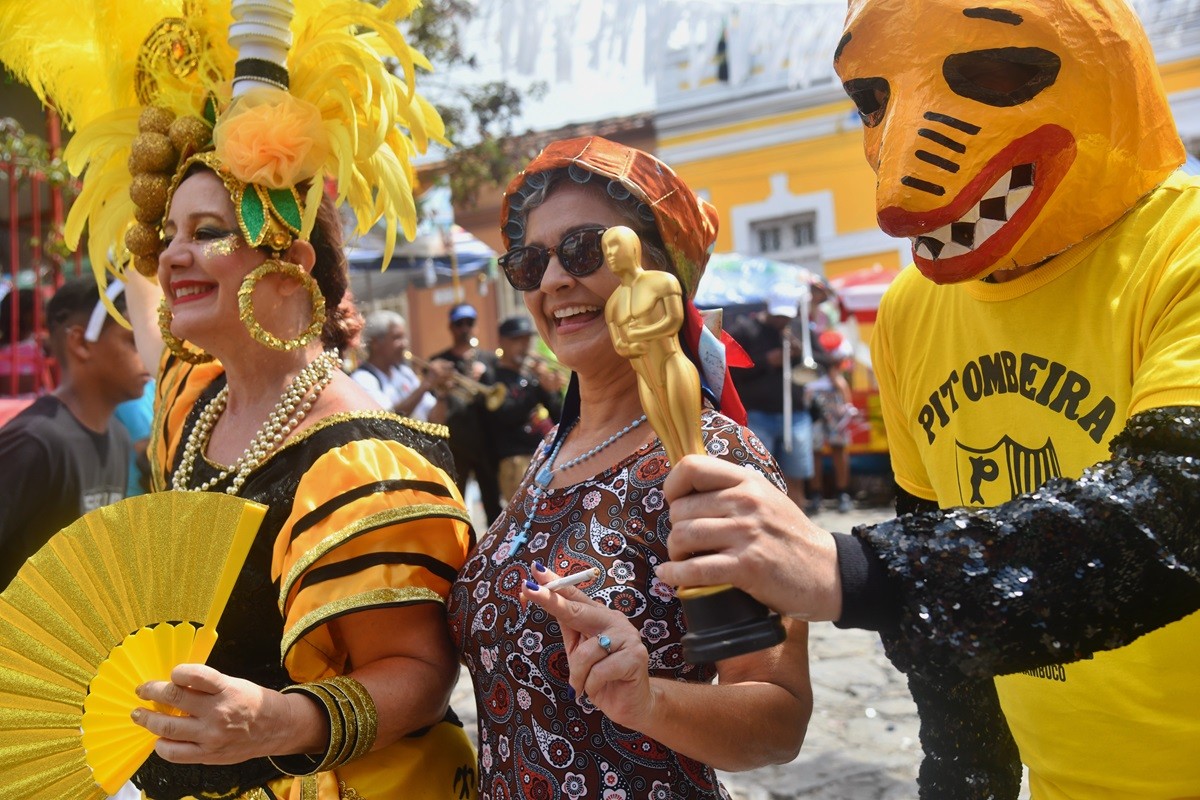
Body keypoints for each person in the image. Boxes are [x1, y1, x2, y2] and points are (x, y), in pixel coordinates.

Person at [657, 1, 1200, 798]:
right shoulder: (914, 311)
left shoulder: (1183, 255)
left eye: (992, 72)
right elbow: (940, 566)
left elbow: (1174, 515)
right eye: (870, 98)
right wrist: (965, 776)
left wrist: (849, 570)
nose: (896, 170)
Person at [5, 3, 479, 797]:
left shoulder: (364, 461)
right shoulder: (194, 404)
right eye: (167, 233)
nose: (170, 256)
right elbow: (143, 277)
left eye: (206, 232)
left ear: (290, 261)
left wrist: (277, 720)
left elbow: (421, 672)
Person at [448, 136, 812, 799]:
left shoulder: (702, 457)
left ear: (661, 267)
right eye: (531, 262)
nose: (554, 281)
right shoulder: (552, 451)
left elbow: (777, 718)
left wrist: (647, 700)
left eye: (585, 249)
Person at [0, 277, 149, 588]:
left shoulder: (119, 437)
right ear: (81, 343)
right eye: (133, 341)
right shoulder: (35, 442)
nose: (147, 356)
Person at [726, 283, 817, 509]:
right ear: (767, 307)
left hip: (795, 414)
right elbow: (730, 370)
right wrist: (767, 361)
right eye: (778, 315)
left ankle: (797, 518)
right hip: (758, 414)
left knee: (796, 475)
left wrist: (799, 355)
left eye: (787, 316)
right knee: (760, 475)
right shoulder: (744, 330)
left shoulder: (799, 329)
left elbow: (821, 360)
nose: (782, 321)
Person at [431, 302, 503, 524]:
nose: (464, 328)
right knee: (457, 504)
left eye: (469, 323)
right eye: (459, 323)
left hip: (487, 442)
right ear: (450, 327)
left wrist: (486, 376)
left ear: (476, 326)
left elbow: (500, 398)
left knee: (493, 505)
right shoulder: (439, 363)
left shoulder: (489, 359)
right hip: (455, 443)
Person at [488, 314, 563, 503]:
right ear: (501, 341)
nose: (524, 345)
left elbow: (559, 416)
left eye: (527, 339)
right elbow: (506, 415)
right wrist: (538, 388)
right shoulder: (493, 376)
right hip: (515, 459)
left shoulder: (531, 376)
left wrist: (552, 391)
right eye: (517, 340)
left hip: (544, 455)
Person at [804, 280, 856, 513]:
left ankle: (843, 492)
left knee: (838, 445)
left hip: (831, 392)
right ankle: (816, 494)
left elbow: (843, 357)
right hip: (811, 390)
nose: (815, 295)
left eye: (818, 291)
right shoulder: (802, 318)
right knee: (814, 447)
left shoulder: (830, 322)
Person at [351, 308, 450, 422]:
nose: (404, 344)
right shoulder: (362, 379)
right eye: (397, 338)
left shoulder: (405, 373)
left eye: (404, 337)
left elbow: (434, 420)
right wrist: (426, 384)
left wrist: (442, 395)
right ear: (375, 343)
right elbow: (389, 420)